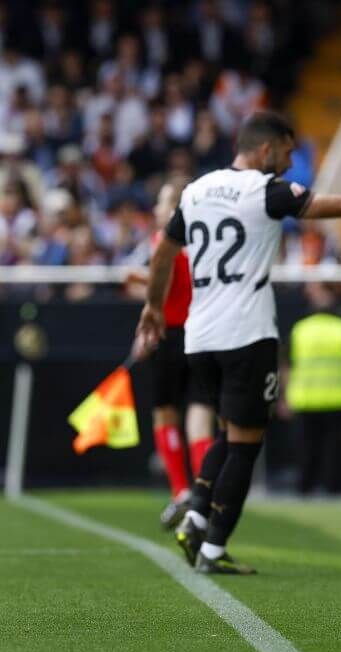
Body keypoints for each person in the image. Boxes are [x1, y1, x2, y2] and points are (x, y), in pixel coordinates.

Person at [135, 111, 341, 574]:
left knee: (227, 434)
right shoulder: (265, 191)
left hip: (199, 335)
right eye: (288, 151)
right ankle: (212, 548)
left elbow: (162, 252)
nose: (291, 161)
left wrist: (153, 306)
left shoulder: (195, 190)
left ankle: (195, 512)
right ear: (266, 148)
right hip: (245, 333)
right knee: (246, 444)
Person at [129, 178, 216, 530]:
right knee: (200, 415)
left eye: (163, 202)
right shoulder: (209, 242)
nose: (156, 210)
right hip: (205, 335)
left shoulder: (163, 242)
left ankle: (180, 489)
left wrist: (138, 283)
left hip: (170, 334)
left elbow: (161, 292)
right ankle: (203, 493)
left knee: (165, 414)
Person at [286, 282, 341, 495]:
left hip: (306, 397)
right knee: (336, 447)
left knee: (307, 446)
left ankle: (305, 485)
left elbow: (289, 365)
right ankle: (335, 486)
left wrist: (285, 397)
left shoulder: (300, 329)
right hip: (340, 397)